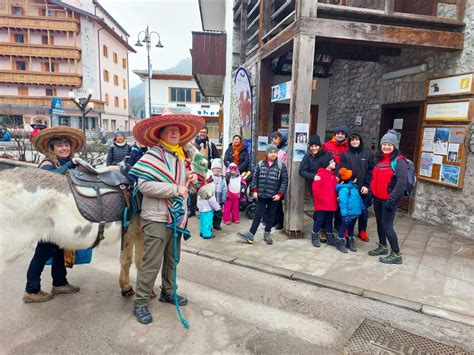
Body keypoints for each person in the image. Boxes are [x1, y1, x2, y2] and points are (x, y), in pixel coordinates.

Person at [128, 109, 203, 324]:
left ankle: (168, 292)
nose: (174, 132)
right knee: (151, 262)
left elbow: (186, 184)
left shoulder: (180, 158)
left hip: (176, 218)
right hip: (156, 218)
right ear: (159, 134)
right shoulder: (152, 156)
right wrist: (175, 189)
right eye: (169, 129)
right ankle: (141, 302)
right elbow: (144, 186)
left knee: (172, 259)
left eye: (177, 130)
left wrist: (192, 179)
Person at [24, 126, 84, 303]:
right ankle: (31, 290)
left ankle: (59, 282)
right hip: (46, 217)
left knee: (58, 250)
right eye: (60, 146)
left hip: (58, 215)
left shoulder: (62, 163)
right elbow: (52, 179)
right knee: (43, 252)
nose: (64, 148)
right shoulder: (47, 164)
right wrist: (70, 165)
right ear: (52, 149)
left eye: (66, 145)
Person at [368, 130, 408, 265]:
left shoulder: (399, 161)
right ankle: (383, 246)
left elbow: (401, 182)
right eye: (384, 144)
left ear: (395, 146)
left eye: (389, 145)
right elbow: (375, 178)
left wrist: (392, 199)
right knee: (379, 223)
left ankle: (396, 254)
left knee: (387, 225)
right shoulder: (379, 159)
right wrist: (371, 193)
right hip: (377, 198)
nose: (386, 147)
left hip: (389, 200)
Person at [237, 144, 288, 245]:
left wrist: (280, 194)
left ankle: (267, 234)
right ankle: (251, 234)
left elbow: (284, 181)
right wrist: (255, 191)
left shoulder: (281, 166)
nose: (273, 154)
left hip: (274, 196)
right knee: (257, 215)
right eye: (271, 152)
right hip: (262, 195)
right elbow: (255, 178)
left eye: (275, 152)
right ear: (267, 153)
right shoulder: (260, 164)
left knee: (271, 215)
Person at [299, 135, 334, 242]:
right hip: (316, 186)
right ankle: (317, 230)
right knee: (319, 208)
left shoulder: (326, 155)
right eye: (312, 146)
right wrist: (313, 177)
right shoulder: (307, 157)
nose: (314, 148)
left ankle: (324, 230)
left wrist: (334, 172)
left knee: (327, 208)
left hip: (327, 186)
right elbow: (302, 171)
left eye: (316, 146)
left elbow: (334, 166)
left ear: (320, 146)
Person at [341, 133, 374, 242]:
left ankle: (362, 231)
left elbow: (370, 171)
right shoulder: (345, 155)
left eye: (357, 140)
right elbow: (343, 172)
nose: (355, 142)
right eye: (352, 140)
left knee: (364, 212)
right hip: (351, 188)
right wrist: (349, 184)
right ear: (349, 142)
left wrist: (366, 186)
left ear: (360, 141)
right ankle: (347, 230)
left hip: (363, 188)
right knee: (351, 211)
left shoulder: (367, 154)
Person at [323, 124, 350, 231]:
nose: (340, 135)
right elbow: (323, 162)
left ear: (346, 135)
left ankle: (338, 224)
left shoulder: (348, 147)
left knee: (341, 202)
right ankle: (325, 227)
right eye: (338, 133)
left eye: (342, 134)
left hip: (343, 179)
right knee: (328, 202)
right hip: (330, 178)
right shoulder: (327, 145)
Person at [310, 155, 338, 248]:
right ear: (328, 164)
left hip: (331, 204)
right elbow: (316, 190)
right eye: (333, 162)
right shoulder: (320, 175)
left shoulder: (333, 176)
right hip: (322, 204)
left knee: (329, 220)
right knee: (319, 220)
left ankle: (330, 237)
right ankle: (314, 236)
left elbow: (335, 189)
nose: (335, 163)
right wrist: (320, 200)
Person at [336, 168, 364, 253]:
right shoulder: (344, 190)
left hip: (355, 213)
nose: (357, 179)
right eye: (355, 178)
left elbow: (358, 199)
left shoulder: (354, 187)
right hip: (347, 214)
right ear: (352, 179)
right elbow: (342, 203)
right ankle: (340, 242)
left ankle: (350, 241)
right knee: (343, 228)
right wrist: (344, 215)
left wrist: (362, 209)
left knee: (351, 228)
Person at [271, 131, 287, 230]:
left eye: (275, 138)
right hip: (274, 176)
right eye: (272, 139)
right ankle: (274, 220)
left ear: (280, 138)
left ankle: (280, 222)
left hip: (281, 177)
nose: (273, 141)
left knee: (278, 201)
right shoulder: (277, 148)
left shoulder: (284, 149)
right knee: (273, 200)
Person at [211, 158, 226, 231]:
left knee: (219, 213)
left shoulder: (222, 178)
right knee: (211, 213)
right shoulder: (210, 177)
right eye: (215, 168)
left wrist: (223, 199)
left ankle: (217, 225)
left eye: (218, 168)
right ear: (212, 169)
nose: (217, 169)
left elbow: (225, 188)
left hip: (219, 199)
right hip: (212, 199)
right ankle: (210, 224)